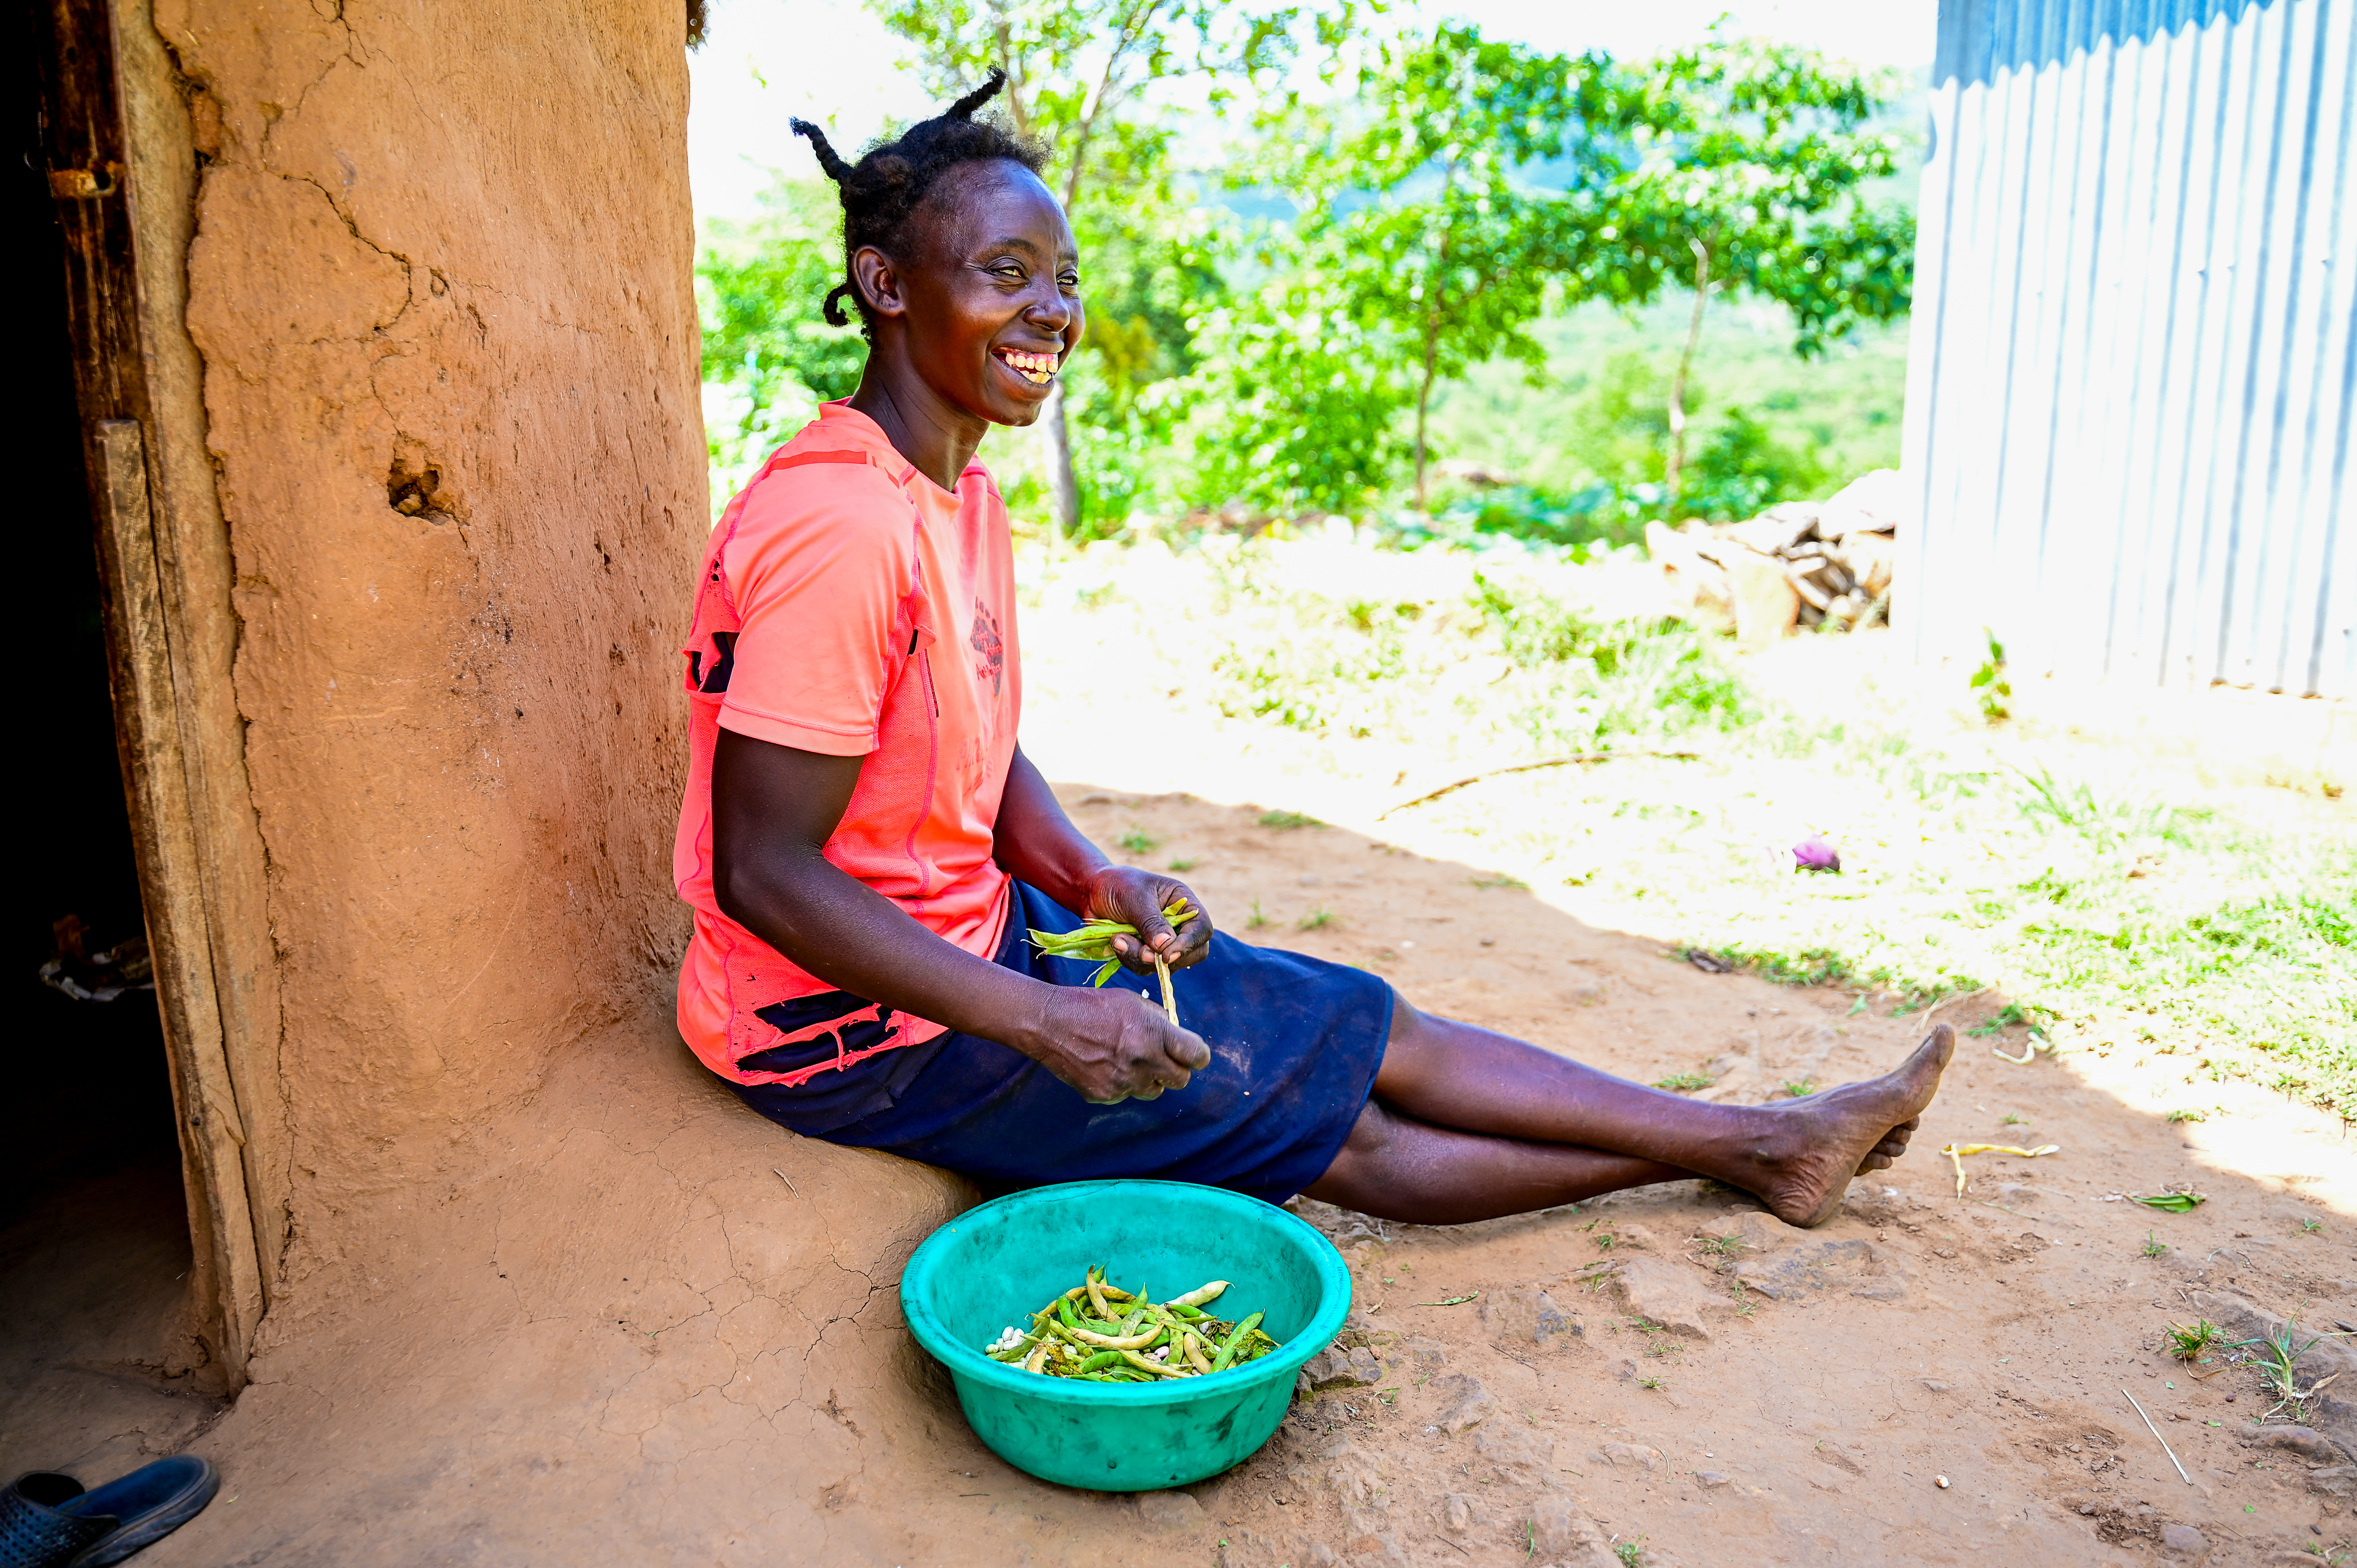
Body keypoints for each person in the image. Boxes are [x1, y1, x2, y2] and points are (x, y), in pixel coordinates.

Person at [672, 73, 1951, 1227]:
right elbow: (766, 869)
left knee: (1367, 1025)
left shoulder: (962, 499)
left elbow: (962, 743)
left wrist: (1089, 876)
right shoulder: (840, 523)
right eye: (1007, 273)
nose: (1052, 311)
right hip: (847, 1037)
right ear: (888, 285)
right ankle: (1764, 1153)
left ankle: (1769, 1139)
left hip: (977, 943)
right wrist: (1047, 1020)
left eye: (1062, 277)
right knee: (1357, 1141)